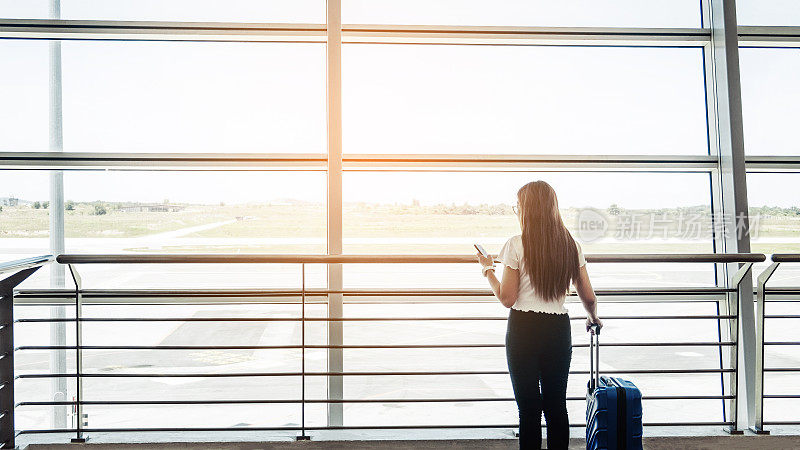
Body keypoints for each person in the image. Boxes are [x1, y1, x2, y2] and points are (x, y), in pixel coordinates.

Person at [477, 180, 602, 450]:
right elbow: (589, 297)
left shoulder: (516, 245)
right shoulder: (571, 245)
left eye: (518, 207)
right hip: (558, 328)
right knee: (557, 405)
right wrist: (592, 317)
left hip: (524, 329)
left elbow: (507, 299)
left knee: (529, 409)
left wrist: (488, 270)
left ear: (527, 210)